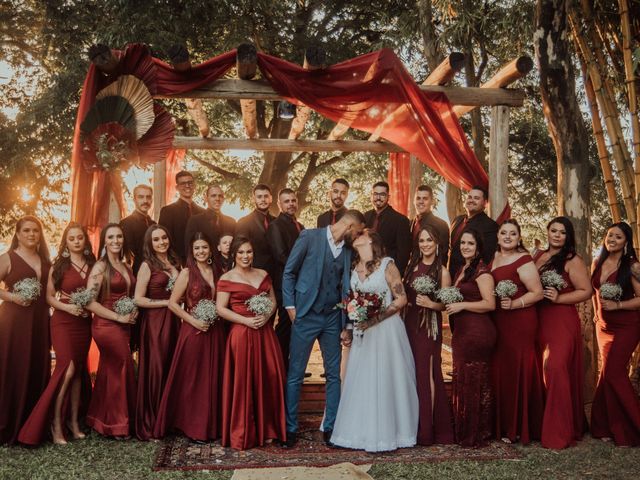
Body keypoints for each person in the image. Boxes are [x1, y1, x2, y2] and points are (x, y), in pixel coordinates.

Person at [281, 210, 366, 448]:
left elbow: (348, 288)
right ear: (350, 226)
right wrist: (290, 306)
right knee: (296, 373)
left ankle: (331, 428)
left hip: (332, 318)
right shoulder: (309, 237)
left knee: (333, 375)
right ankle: (290, 428)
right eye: (358, 232)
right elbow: (289, 272)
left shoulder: (348, 251)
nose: (357, 237)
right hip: (305, 315)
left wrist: (347, 323)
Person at [331, 230, 418, 452]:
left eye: (361, 235)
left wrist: (375, 319)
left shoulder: (387, 265)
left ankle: (389, 434)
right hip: (363, 333)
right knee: (362, 379)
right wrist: (351, 326)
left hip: (386, 331)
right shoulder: (353, 267)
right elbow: (352, 301)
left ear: (371, 240)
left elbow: (401, 299)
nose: (356, 237)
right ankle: (359, 432)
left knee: (386, 379)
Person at [18, 223, 95, 446]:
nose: (77, 241)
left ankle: (73, 421)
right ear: (66, 242)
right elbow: (50, 297)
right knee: (67, 368)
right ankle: (56, 423)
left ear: (85, 240)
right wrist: (69, 308)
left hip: (84, 324)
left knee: (79, 370)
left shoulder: (93, 264)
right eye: (72, 238)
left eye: (80, 237)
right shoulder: (58, 266)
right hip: (62, 322)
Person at [154, 232, 225, 442]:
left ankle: (213, 424)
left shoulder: (218, 270)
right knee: (193, 380)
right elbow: (173, 303)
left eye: (204, 247)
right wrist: (193, 321)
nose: (201, 251)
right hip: (193, 331)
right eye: (197, 248)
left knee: (213, 378)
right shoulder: (186, 273)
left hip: (216, 332)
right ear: (192, 252)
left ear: (211, 249)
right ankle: (192, 426)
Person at [217, 236, 286, 450]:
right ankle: (244, 431)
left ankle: (268, 429)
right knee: (244, 381)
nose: (246, 256)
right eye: (241, 253)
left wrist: (266, 316)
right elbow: (221, 308)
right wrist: (246, 320)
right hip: (241, 333)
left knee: (270, 376)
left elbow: (273, 300)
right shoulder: (227, 278)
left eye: (249, 252)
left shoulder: (263, 274)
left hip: (265, 333)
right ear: (234, 255)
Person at [535, 217, 591, 449]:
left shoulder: (572, 260)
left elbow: (586, 291)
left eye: (562, 232)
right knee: (539, 369)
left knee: (556, 368)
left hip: (562, 319)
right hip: (538, 318)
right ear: (547, 232)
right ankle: (541, 424)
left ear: (568, 237)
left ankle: (559, 431)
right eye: (554, 231)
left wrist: (559, 298)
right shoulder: (538, 257)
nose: (557, 235)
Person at [490, 219, 544, 444]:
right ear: (498, 236)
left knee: (518, 367)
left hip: (520, 320)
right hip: (499, 320)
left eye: (513, 233)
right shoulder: (493, 258)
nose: (508, 237)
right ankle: (502, 425)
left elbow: (537, 293)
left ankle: (521, 426)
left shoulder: (524, 260)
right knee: (501, 370)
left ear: (519, 237)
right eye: (504, 233)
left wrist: (515, 304)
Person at [0, 216, 51, 445]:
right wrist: (12, 297)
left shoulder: (46, 260)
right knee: (14, 366)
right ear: (18, 234)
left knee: (37, 365)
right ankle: (9, 423)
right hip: (14, 320)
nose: (32, 234)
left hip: (40, 319)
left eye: (36, 231)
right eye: (27, 230)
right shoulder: (8, 258)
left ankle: (33, 426)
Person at [85, 223, 138, 438]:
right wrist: (118, 316)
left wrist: (131, 313)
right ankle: (119, 423)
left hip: (124, 324)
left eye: (119, 237)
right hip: (106, 325)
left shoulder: (127, 265)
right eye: (111, 237)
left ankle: (101, 420)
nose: (116, 241)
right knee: (123, 364)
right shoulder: (100, 267)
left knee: (110, 369)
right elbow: (89, 302)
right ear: (104, 241)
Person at [403, 225, 454, 445]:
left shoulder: (442, 271)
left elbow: (446, 305)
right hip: (409, 324)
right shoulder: (411, 266)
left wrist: (430, 303)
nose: (425, 244)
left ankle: (428, 428)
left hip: (428, 328)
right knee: (412, 373)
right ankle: (412, 423)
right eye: (422, 240)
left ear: (437, 244)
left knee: (427, 374)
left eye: (429, 240)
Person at [590, 222, 640, 446]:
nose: (612, 240)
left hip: (627, 325)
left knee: (614, 373)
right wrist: (595, 314)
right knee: (606, 373)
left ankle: (635, 425)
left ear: (626, 242)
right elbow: (594, 291)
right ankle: (604, 426)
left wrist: (618, 307)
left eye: (618, 237)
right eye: (609, 235)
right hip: (603, 326)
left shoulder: (632, 266)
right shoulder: (598, 262)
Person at [446, 229, 496, 447]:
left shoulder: (483, 272)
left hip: (478, 331)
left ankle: (475, 433)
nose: (465, 246)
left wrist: (462, 305)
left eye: (470, 243)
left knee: (474, 380)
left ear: (478, 247)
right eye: (463, 243)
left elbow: (490, 304)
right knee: (463, 379)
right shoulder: (463, 269)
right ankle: (464, 429)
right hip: (462, 331)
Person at [133, 225, 181, 440]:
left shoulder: (175, 262)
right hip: (155, 322)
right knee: (157, 368)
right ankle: (151, 422)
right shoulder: (147, 265)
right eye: (156, 240)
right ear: (150, 244)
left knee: (172, 367)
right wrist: (166, 303)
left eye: (164, 237)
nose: (161, 242)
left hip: (175, 322)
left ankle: (168, 419)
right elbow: (138, 299)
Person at [267, 188, 304, 370]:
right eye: (286, 201)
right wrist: (303, 267)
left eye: (293, 200)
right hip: (284, 284)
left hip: (300, 285)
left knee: (295, 327)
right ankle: (281, 365)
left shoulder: (300, 226)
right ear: (279, 204)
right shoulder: (275, 226)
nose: (291, 204)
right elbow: (280, 255)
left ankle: (292, 366)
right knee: (284, 326)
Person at [449, 186, 499, 281]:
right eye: (470, 197)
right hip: (451, 275)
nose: (471, 200)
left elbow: (487, 258)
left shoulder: (490, 226)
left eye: (476, 198)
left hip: (470, 278)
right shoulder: (457, 220)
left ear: (485, 203)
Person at [158, 171, 205, 265]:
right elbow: (164, 240)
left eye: (190, 183)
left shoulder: (203, 212)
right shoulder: (167, 211)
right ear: (177, 187)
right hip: (177, 263)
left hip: (201, 261)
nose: (187, 186)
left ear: (194, 185)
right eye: (183, 183)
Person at [364, 181, 411, 272]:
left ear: (388, 197)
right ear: (371, 195)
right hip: (366, 270)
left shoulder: (400, 220)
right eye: (375, 194)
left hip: (387, 271)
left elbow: (403, 254)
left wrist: (394, 275)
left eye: (382, 194)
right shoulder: (365, 216)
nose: (378, 197)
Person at [184, 184, 236, 260]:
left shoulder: (231, 222)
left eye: (220, 196)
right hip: (204, 266)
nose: (217, 198)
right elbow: (189, 248)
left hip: (227, 267)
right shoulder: (195, 220)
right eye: (213, 196)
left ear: (223, 199)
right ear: (206, 198)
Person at [236, 184, 276, 272]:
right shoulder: (244, 222)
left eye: (266, 196)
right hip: (254, 272)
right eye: (259, 197)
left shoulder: (277, 222)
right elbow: (240, 251)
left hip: (277, 273)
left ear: (271, 199)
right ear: (254, 199)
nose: (263, 199)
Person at [120, 184, 155, 275]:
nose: (145, 201)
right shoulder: (126, 223)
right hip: (135, 274)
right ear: (134, 200)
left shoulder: (154, 224)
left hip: (155, 272)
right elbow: (127, 256)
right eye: (141, 197)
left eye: (148, 197)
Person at [411, 185, 449, 265]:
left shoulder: (441, 225)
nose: (421, 201)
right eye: (418, 198)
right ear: (414, 201)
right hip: (411, 271)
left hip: (430, 272)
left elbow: (443, 256)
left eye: (425, 198)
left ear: (432, 201)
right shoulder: (410, 223)